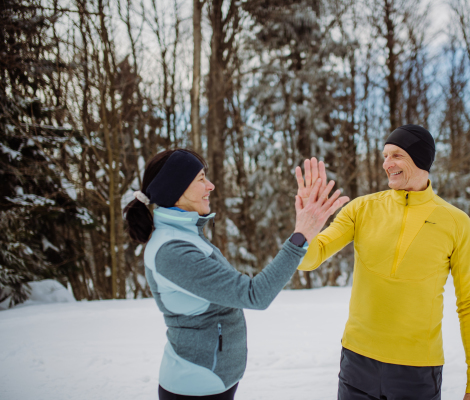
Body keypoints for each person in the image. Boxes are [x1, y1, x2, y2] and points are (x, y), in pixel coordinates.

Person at [123, 149, 349, 400]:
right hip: (196, 386)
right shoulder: (173, 250)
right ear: (177, 188)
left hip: (211, 379)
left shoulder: (183, 233)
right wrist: (301, 235)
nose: (211, 185)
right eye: (200, 179)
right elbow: (254, 295)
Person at [297, 125, 470, 400]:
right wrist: (304, 231)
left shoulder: (456, 222)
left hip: (418, 370)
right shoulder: (361, 209)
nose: (387, 164)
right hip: (357, 363)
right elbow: (311, 259)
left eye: (396, 155)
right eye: (385, 156)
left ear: (421, 158)